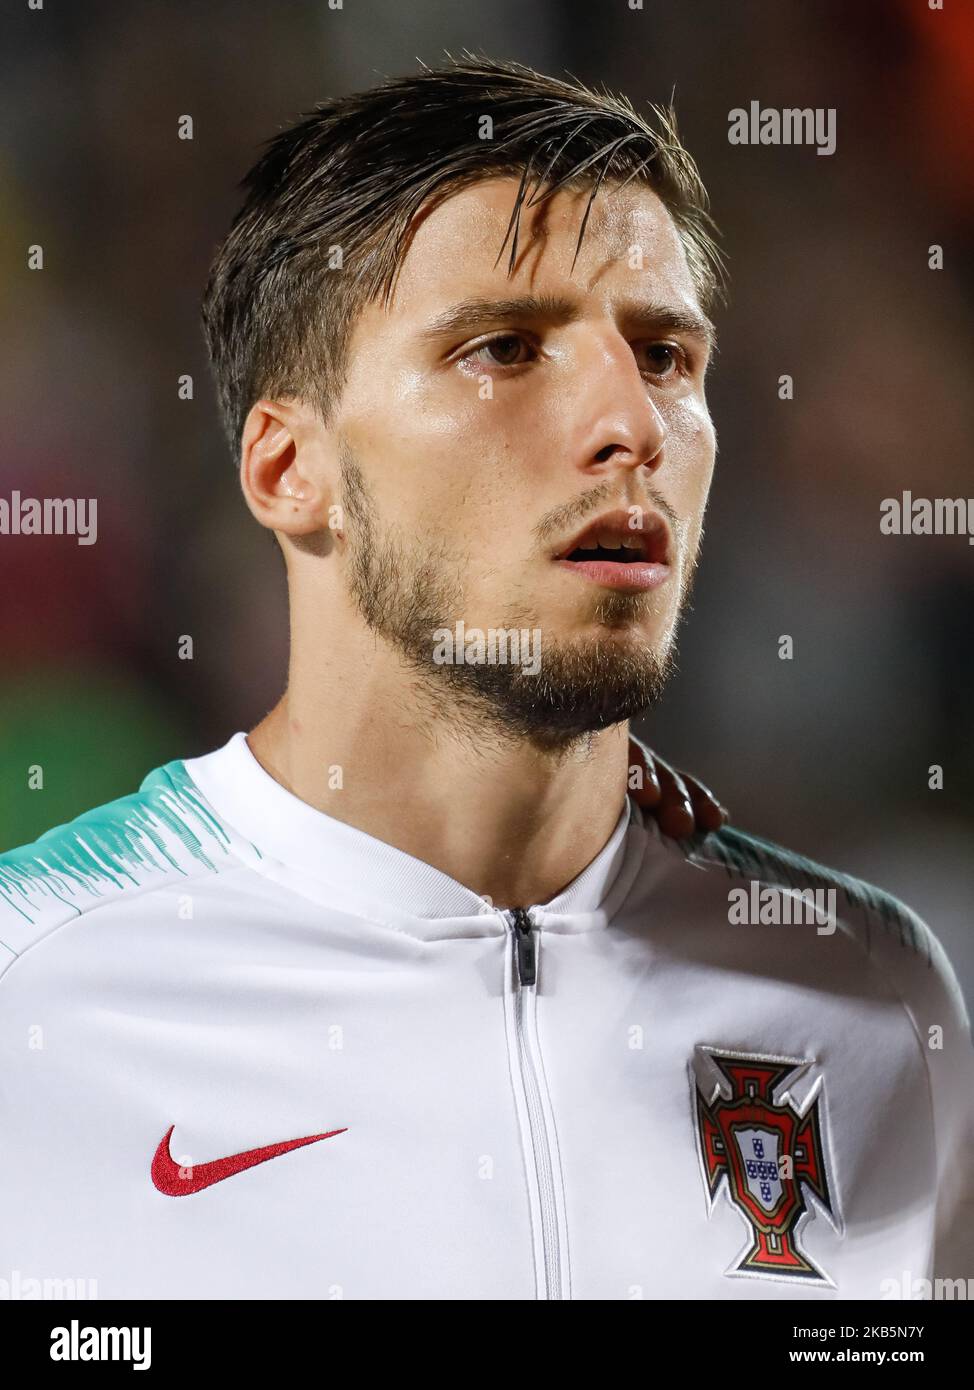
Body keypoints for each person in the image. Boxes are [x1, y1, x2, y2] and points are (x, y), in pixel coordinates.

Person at [1, 57, 970, 1302]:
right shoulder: (38, 987)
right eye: (503, 348)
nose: (630, 421)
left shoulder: (869, 993)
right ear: (290, 469)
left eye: (666, 355)